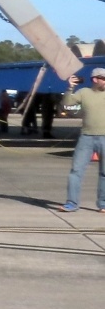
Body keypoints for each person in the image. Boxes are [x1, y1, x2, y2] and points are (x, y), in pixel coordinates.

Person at [62, 68, 105, 211]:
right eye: (103, 78)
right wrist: (70, 88)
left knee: (104, 172)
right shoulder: (84, 93)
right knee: (76, 170)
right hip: (86, 137)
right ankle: (72, 203)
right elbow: (67, 106)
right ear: (95, 79)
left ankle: (103, 204)